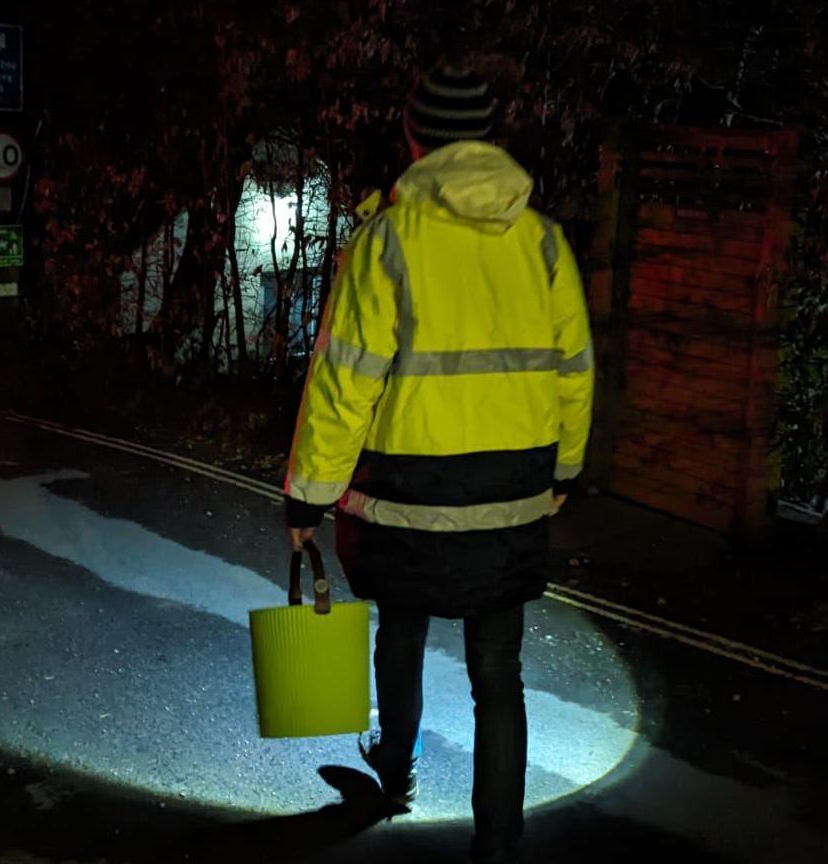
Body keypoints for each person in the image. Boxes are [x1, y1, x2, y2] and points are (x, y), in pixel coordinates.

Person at [282, 64, 594, 864]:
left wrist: (308, 499)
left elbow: (345, 380)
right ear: (490, 137)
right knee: (500, 670)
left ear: (415, 139)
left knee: (402, 630)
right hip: (513, 494)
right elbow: (574, 369)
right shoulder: (544, 242)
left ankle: (395, 774)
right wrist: (563, 472)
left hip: (405, 495)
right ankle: (497, 843)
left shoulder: (388, 240)